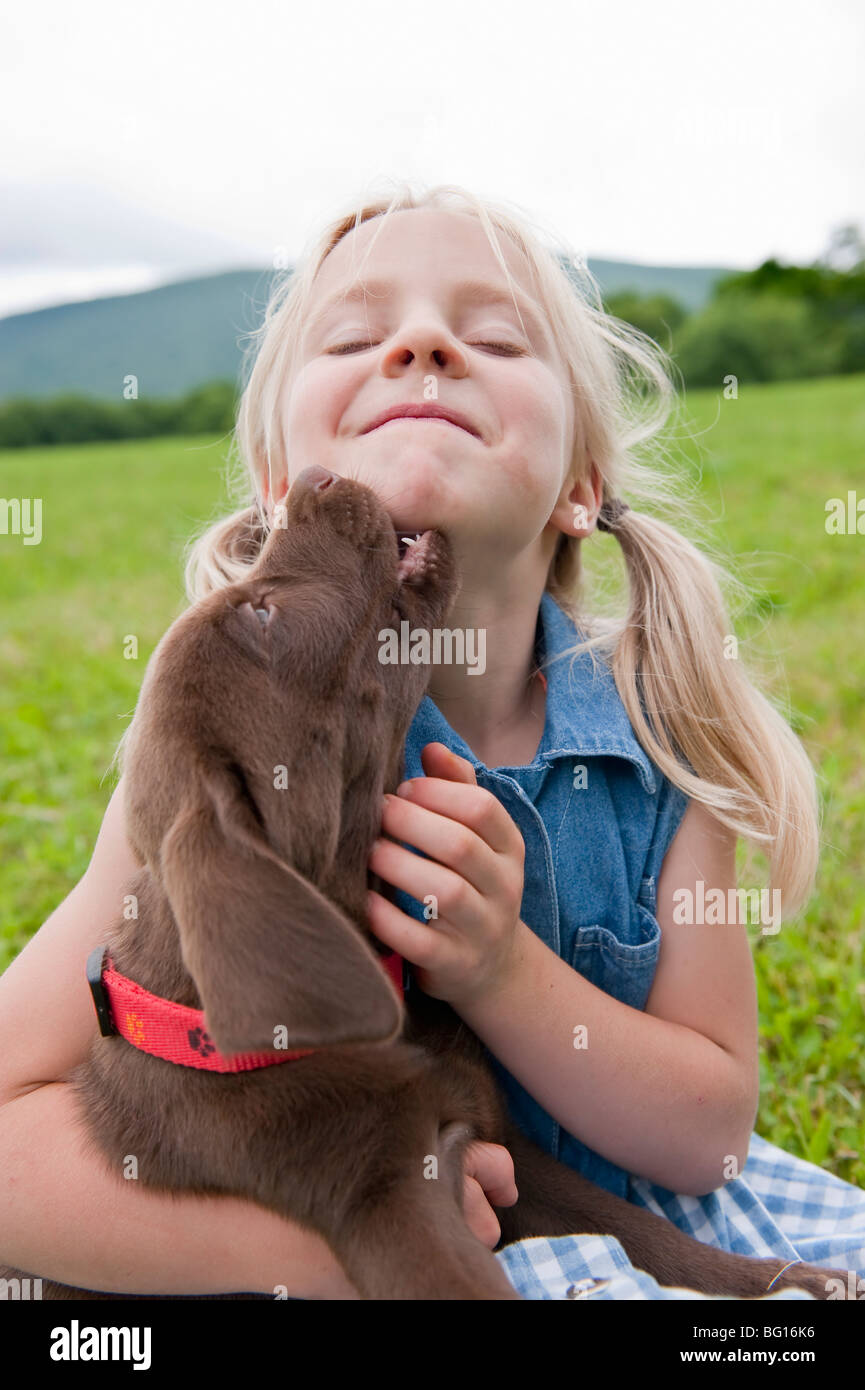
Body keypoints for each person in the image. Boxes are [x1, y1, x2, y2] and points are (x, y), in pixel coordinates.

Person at [1, 183, 862, 1301]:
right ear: (279, 489)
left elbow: (711, 1139)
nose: (420, 345)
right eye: (356, 337)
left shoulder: (661, 744)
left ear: (579, 487)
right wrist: (345, 1250)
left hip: (630, 1242)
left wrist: (503, 969)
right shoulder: (225, 754)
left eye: (495, 337)